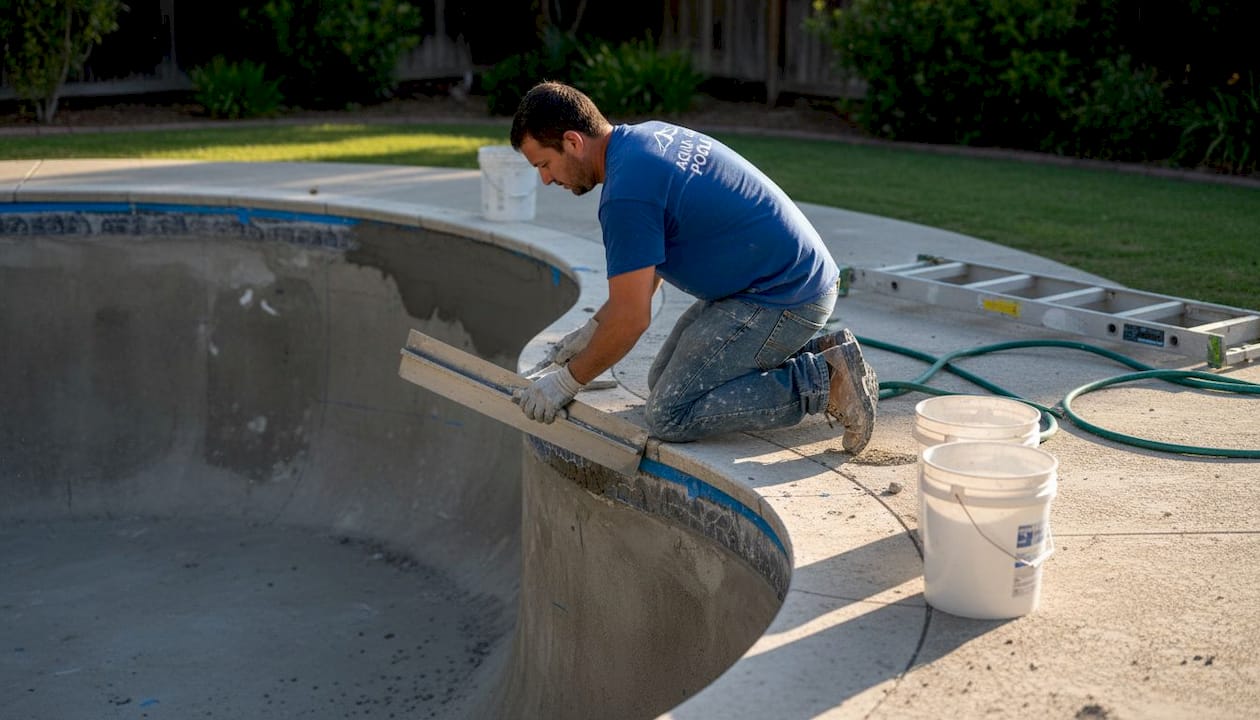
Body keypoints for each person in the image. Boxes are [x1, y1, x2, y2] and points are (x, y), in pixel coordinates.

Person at [509, 81, 878, 453]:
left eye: (544, 163)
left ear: (572, 142)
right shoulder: (642, 141)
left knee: (670, 412)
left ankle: (826, 380)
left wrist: (567, 382)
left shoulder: (625, 197)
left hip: (784, 296)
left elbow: (632, 319)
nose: (545, 178)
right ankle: (825, 353)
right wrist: (593, 330)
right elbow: (644, 270)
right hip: (775, 281)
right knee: (661, 380)